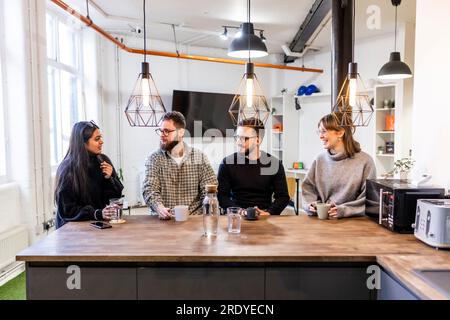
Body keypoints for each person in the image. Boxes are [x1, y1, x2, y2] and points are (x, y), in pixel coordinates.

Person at [142, 111, 217, 219]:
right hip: (163, 220)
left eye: (167, 131)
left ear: (181, 133)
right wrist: (159, 208)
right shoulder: (154, 158)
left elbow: (209, 189)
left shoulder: (199, 157)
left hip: (193, 220)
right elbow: (149, 189)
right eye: (161, 131)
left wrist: (203, 214)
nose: (162, 135)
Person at [302, 113, 376, 218]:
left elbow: (369, 197)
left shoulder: (365, 161)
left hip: (354, 223)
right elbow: (308, 188)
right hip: (322, 222)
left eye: (324, 131)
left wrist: (344, 210)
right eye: (319, 131)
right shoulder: (319, 160)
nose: (320, 136)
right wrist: (311, 205)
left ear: (340, 133)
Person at [54, 121, 124, 229]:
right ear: (83, 143)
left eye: (100, 137)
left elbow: (115, 197)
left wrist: (110, 178)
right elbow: (67, 211)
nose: (102, 142)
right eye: (97, 139)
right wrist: (97, 213)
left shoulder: (103, 160)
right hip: (70, 231)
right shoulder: (67, 169)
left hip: (96, 226)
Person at [218, 118, 289, 216]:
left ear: (258, 140)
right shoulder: (227, 163)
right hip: (236, 216)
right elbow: (222, 196)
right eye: (237, 137)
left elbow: (283, 197)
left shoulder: (274, 164)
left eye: (245, 138)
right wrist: (239, 211)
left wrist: (269, 213)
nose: (238, 142)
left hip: (264, 215)